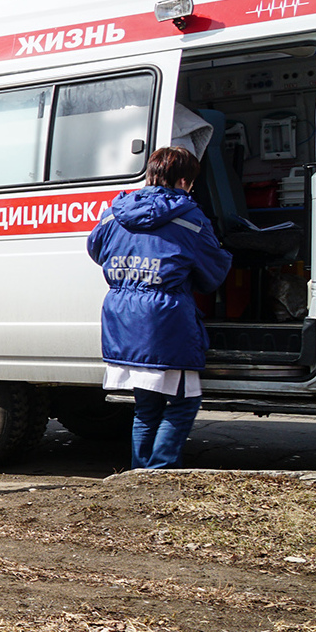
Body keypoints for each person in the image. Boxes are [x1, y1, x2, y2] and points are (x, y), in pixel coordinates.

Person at [87, 146, 233, 469]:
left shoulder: (114, 211)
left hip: (122, 320)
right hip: (166, 322)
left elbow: (95, 249)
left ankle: (139, 480)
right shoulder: (190, 218)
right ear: (183, 181)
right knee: (184, 404)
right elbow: (214, 271)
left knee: (146, 409)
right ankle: (159, 473)